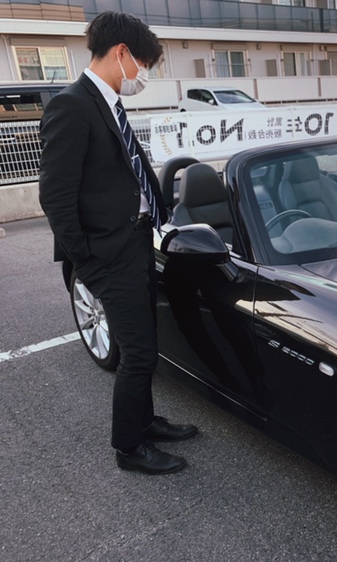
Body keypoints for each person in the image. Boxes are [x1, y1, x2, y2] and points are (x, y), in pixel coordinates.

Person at [38, 12, 197, 475]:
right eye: (144, 64)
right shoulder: (72, 106)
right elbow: (56, 197)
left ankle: (145, 422)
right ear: (122, 52)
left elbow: (124, 171)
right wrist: (89, 264)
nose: (143, 76)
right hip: (109, 255)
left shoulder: (108, 102)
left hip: (137, 242)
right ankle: (129, 447)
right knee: (140, 353)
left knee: (142, 343)